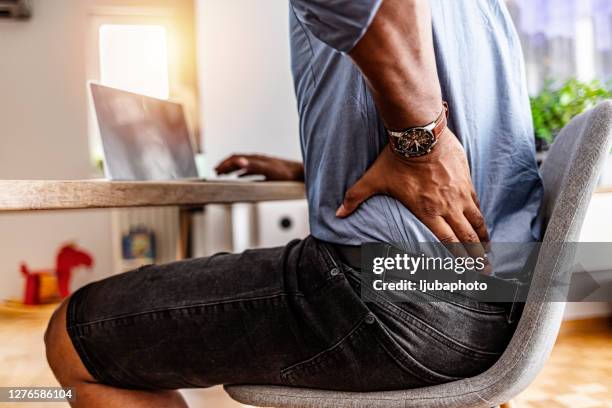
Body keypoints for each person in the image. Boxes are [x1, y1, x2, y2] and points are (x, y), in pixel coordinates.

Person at [45, 0, 542, 407]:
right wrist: (319, 168)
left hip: (401, 297)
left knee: (73, 339)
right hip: (502, 298)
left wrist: (421, 145)